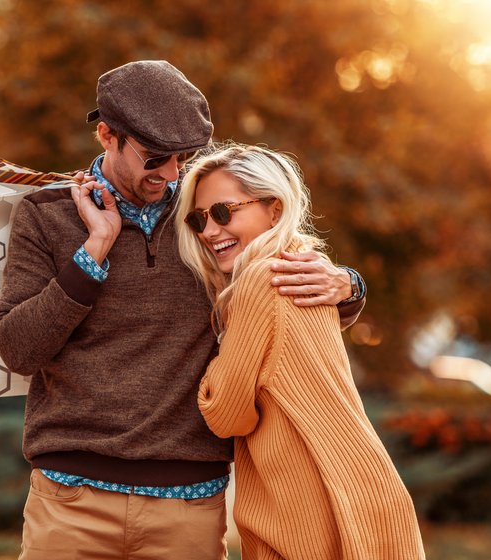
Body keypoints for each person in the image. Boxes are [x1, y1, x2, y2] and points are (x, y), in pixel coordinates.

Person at [0, 61, 366, 560]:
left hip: (188, 510)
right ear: (107, 135)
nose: (169, 174)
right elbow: (17, 348)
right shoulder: (46, 214)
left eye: (181, 157)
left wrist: (347, 284)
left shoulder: (206, 216)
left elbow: (276, 284)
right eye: (155, 158)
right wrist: (93, 252)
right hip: (69, 502)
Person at [176, 144, 426, 560]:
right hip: (361, 500)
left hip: (315, 518)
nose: (209, 231)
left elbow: (225, 413)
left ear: (274, 209)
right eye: (199, 218)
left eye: (224, 212)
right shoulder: (307, 269)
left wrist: (211, 366)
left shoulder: (261, 278)